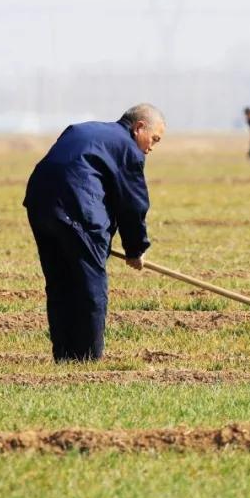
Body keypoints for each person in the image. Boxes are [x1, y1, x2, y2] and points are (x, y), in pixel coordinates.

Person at [23, 103, 166, 361]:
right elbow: (132, 203)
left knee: (60, 283)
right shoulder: (127, 149)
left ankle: (65, 356)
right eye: (154, 139)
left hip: (39, 205)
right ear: (139, 127)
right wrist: (135, 249)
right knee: (90, 286)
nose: (152, 148)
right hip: (75, 209)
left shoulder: (83, 130)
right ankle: (88, 358)